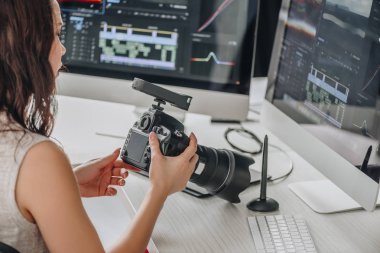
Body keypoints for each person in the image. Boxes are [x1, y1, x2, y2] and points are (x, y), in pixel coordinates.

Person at [0, 0, 199, 252]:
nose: (62, 49)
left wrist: (65, 182)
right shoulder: (36, 158)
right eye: (56, 34)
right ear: (25, 46)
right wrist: (159, 190)